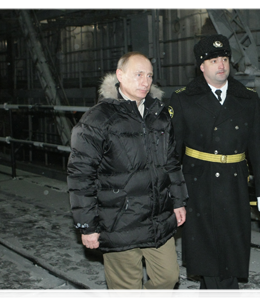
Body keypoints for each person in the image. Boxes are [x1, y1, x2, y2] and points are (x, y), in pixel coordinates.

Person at [67, 51, 188, 298]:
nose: (146, 81)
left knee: (168, 277)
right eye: (139, 74)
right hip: (118, 220)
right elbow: (80, 175)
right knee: (126, 291)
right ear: (120, 76)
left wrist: (178, 201)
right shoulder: (98, 118)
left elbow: (171, 163)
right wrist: (87, 225)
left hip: (158, 218)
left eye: (150, 76)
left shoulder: (160, 115)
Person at [168, 34, 260, 298]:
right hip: (198, 186)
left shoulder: (247, 98)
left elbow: (258, 148)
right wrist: (174, 196)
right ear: (201, 66)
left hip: (234, 185)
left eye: (224, 58)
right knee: (213, 257)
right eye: (213, 60)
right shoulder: (183, 99)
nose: (221, 65)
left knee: (228, 250)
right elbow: (171, 154)